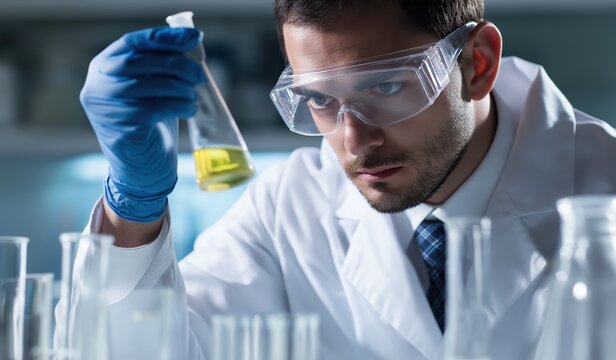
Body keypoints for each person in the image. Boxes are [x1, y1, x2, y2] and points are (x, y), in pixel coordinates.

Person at [70, 0, 616, 359]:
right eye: (319, 100)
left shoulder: (604, 184)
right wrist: (133, 208)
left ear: (477, 64)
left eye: (385, 89)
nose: (354, 142)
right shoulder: (291, 205)